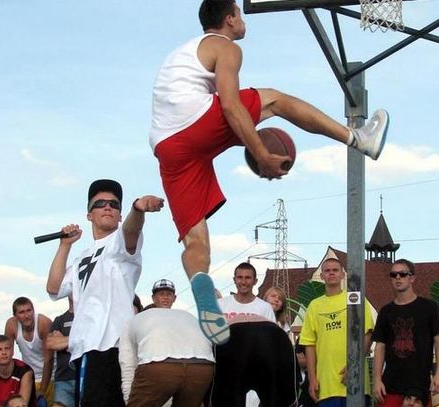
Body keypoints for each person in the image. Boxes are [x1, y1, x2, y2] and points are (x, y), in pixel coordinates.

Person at [149, 0, 390, 345]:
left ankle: (202, 288)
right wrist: (260, 153)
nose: (243, 21)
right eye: (240, 14)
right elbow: (231, 105)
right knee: (275, 100)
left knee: (195, 239)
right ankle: (359, 138)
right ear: (229, 18)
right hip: (192, 124)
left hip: (166, 146)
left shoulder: (182, 54)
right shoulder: (224, 46)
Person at [46, 179, 164, 407]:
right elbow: (54, 287)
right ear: (89, 214)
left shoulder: (119, 242)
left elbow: (131, 230)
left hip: (113, 345)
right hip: (86, 347)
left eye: (114, 204)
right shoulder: (82, 258)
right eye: (99, 203)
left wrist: (137, 209)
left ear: (120, 215)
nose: (108, 207)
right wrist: (65, 245)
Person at [118, 279, 214, 407]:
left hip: (160, 367)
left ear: (174, 298)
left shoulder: (134, 320)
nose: (165, 297)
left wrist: (129, 400)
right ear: (153, 298)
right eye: (161, 294)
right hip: (203, 367)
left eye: (168, 294)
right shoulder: (188, 316)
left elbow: (127, 363)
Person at [211, 262, 296, 406]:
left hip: (257, 373)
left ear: (255, 281)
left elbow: (271, 345)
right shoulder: (220, 305)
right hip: (228, 371)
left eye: (248, 278)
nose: (243, 282)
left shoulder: (264, 308)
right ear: (234, 280)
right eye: (240, 278)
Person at [299, 257, 374, 406]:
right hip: (326, 386)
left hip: (355, 382)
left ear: (342, 274)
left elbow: (367, 334)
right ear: (322, 276)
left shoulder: (355, 298)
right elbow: (309, 344)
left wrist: (354, 366)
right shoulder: (315, 306)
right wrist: (312, 378)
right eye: (327, 271)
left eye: (335, 270)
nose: (331, 273)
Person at [372, 258, 439, 407]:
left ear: (412, 278)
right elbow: (380, 346)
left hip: (420, 386)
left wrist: (438, 374)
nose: (398, 277)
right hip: (391, 384)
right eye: (393, 275)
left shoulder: (429, 307)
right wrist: (377, 379)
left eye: (402, 274)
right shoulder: (386, 311)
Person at [4, 298, 53, 404]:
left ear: (33, 310)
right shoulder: (12, 325)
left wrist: (43, 390)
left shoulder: (44, 322)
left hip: (50, 376)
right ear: (15, 316)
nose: (26, 315)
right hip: (29, 376)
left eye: (29, 310)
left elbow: (48, 359)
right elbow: (6, 354)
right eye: (21, 312)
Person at [45, 297, 74, 407]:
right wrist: (77, 342)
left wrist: (63, 340)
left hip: (85, 378)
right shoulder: (59, 320)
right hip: (63, 380)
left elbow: (90, 343)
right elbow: (50, 343)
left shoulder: (87, 319)